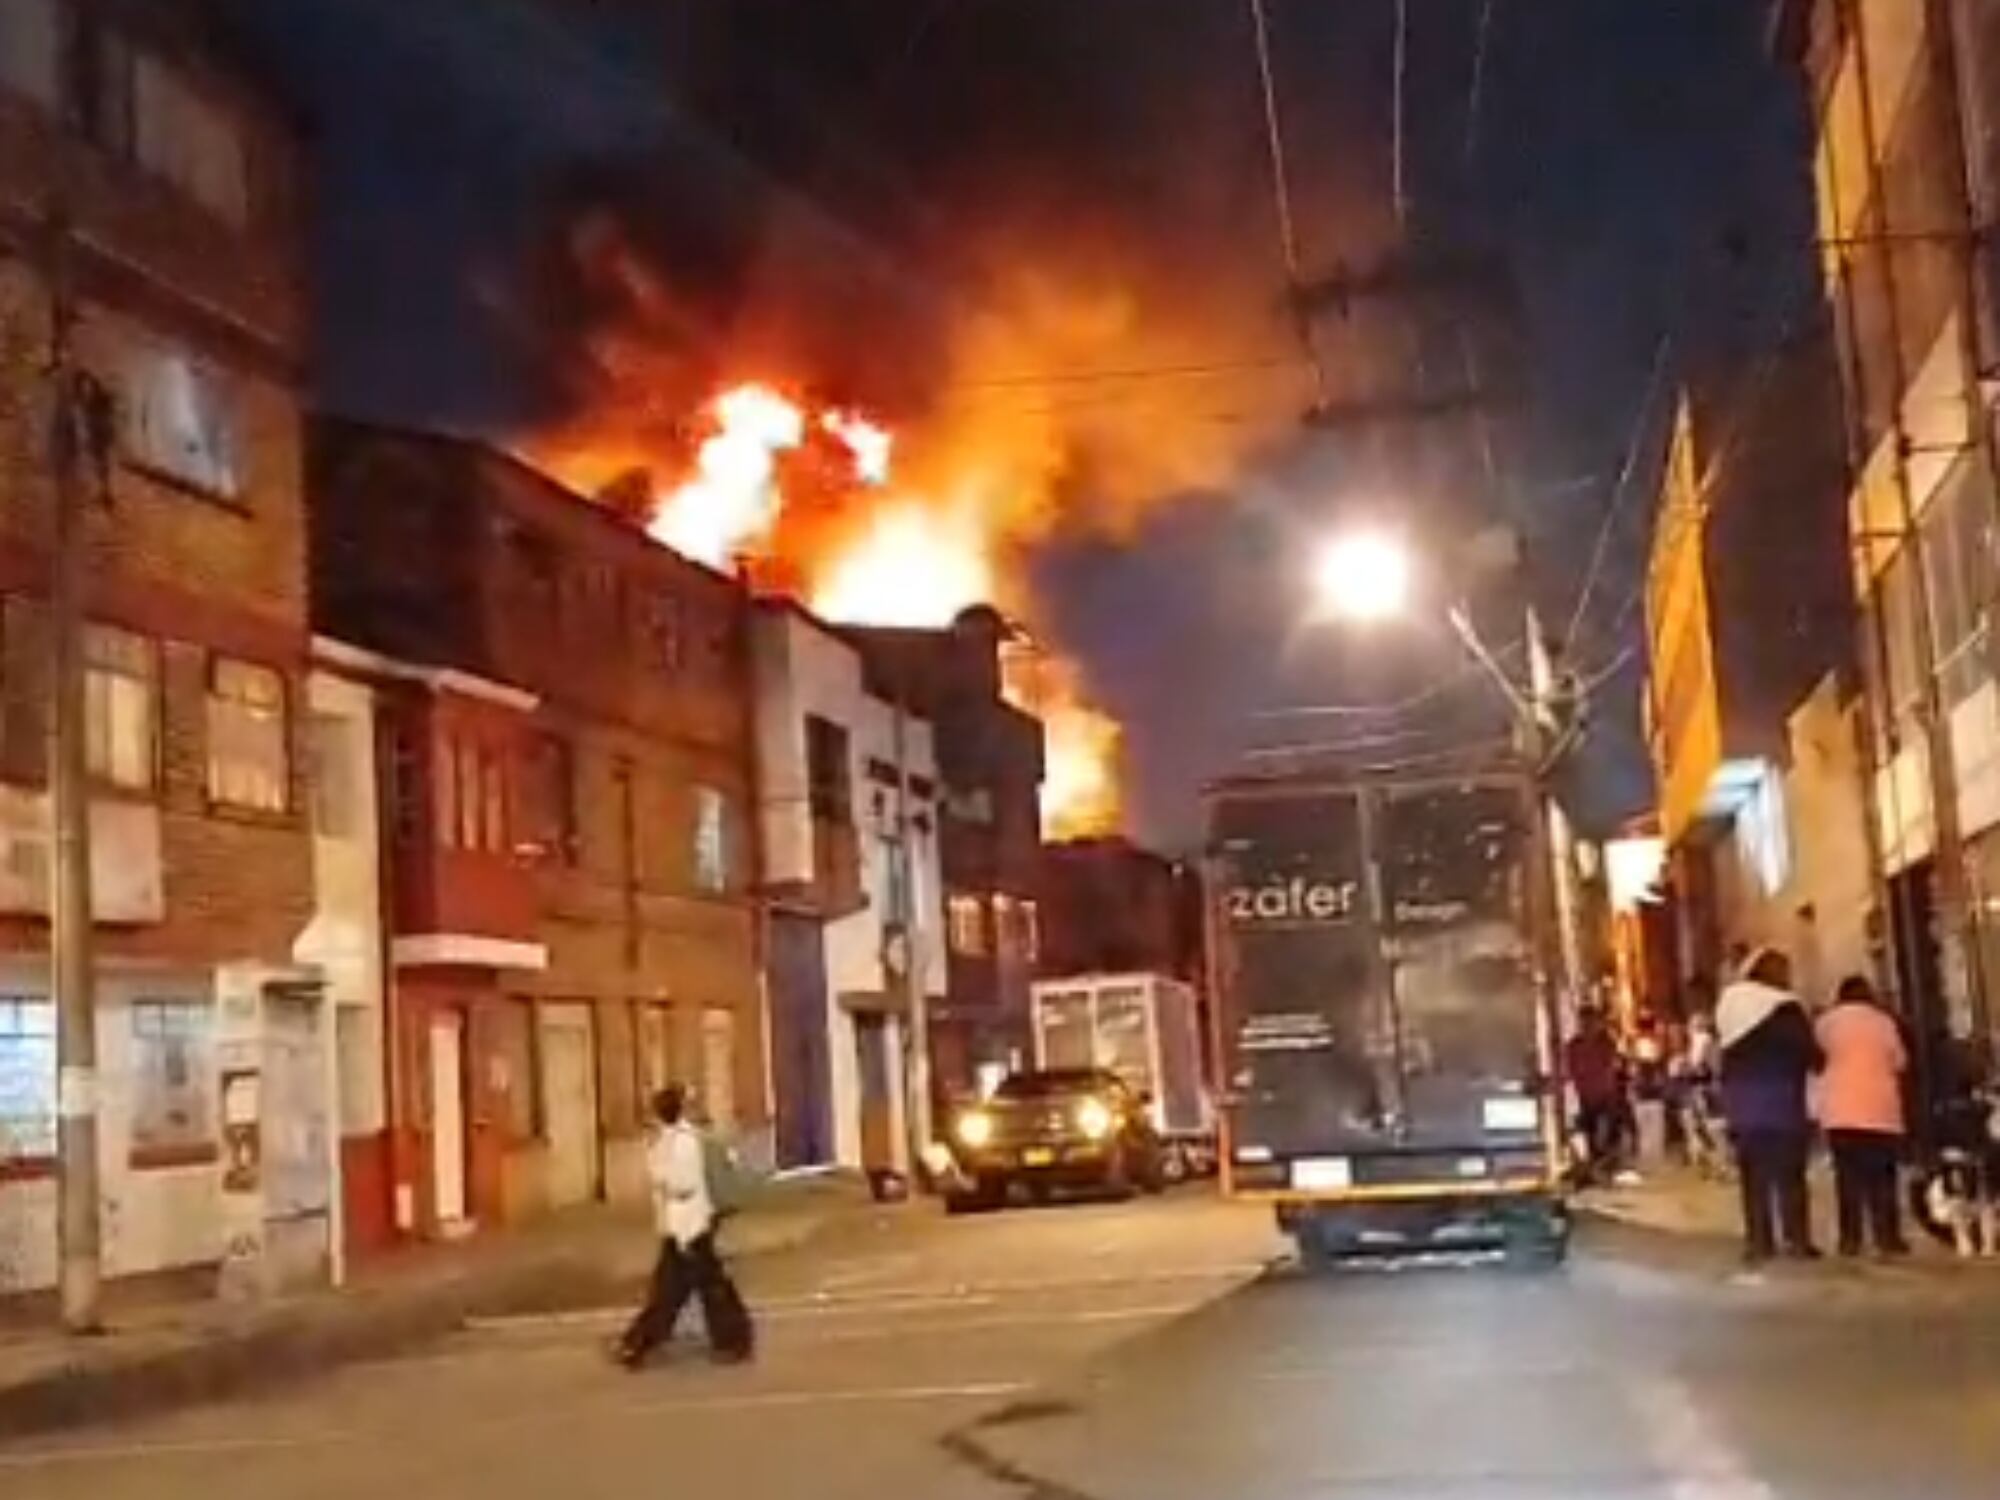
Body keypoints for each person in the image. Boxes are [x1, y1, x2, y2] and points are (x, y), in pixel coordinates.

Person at [615, 1085, 754, 1368]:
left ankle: (639, 1343)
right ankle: (735, 1338)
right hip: (685, 1226)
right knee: (706, 1286)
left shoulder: (681, 1141)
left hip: (688, 1227)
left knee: (675, 1291)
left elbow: (684, 1184)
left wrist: (661, 1178)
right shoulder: (671, 1139)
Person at [1717, 947, 1823, 1265]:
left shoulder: (1729, 1005)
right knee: (1789, 1177)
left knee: (1753, 1180)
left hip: (1742, 1108)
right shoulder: (1785, 1009)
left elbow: (1724, 1060)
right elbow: (1809, 1054)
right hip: (1782, 1105)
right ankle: (1796, 1239)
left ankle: (1759, 1242)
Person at [1815, 974, 1909, 1258]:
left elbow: (1815, 1058)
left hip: (1840, 1111)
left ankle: (1850, 1239)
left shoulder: (1826, 1023)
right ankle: (1887, 1237)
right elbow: (1900, 1061)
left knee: (1847, 1178)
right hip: (1880, 1110)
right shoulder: (1883, 1022)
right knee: (1882, 1178)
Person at [1565, 1007, 1625, 1183]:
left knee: (1604, 1135)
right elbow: (1570, 1069)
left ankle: (1602, 1167)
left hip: (1604, 1096)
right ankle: (1595, 1169)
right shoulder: (1574, 1045)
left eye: (1591, 1022)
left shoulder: (1605, 1042)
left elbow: (1613, 1064)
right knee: (1591, 1135)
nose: (1588, 1026)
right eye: (1585, 1022)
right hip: (1587, 1096)